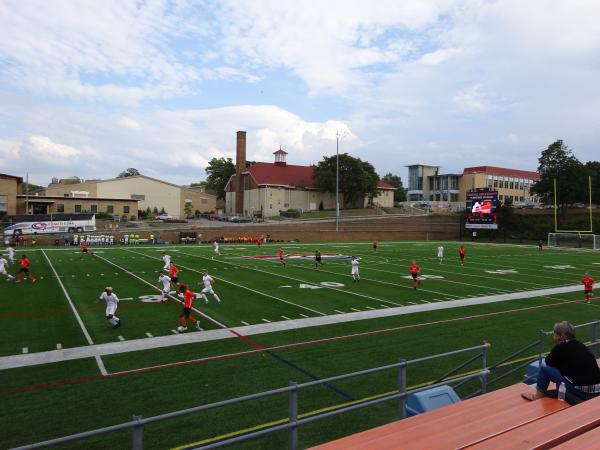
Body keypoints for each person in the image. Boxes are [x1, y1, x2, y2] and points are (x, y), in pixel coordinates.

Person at [522, 321, 600, 402]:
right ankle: (561, 395)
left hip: (582, 393)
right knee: (562, 369)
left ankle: (537, 397)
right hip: (596, 390)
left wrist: (558, 346)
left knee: (544, 367)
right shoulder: (581, 345)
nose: (553, 336)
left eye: (555, 334)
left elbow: (548, 361)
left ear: (561, 336)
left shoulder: (561, 347)